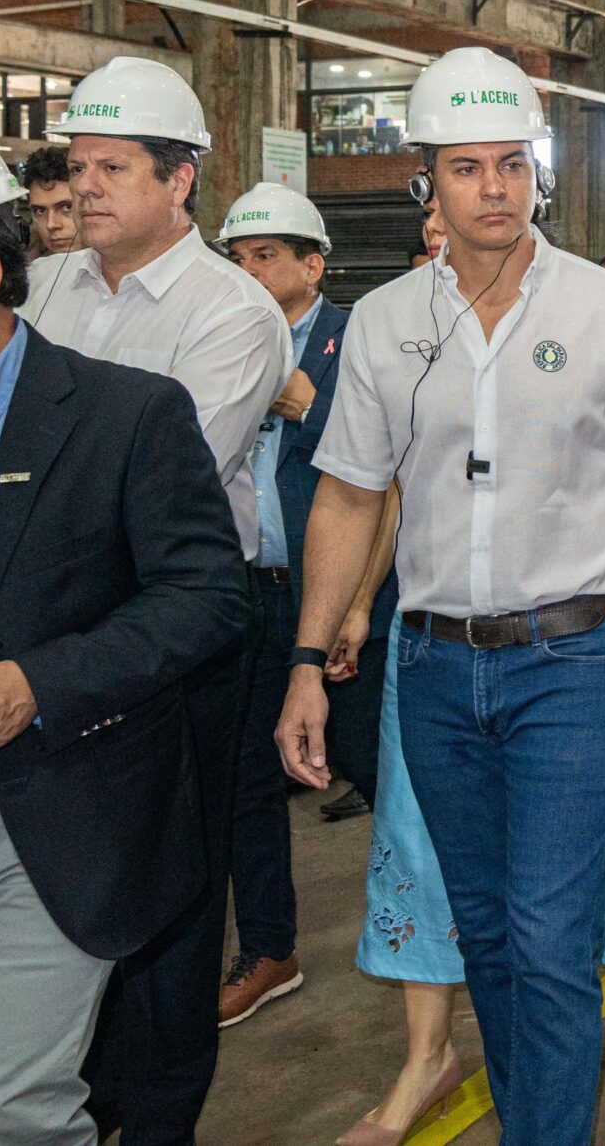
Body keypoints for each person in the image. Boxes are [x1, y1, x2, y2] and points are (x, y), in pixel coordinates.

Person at [276, 46, 605, 1146]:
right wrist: (307, 663)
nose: (494, 189)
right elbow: (348, 502)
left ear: (538, 173)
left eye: (512, 164)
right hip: (434, 667)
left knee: (551, 943)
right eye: (466, 169)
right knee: (491, 936)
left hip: (578, 659)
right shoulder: (383, 325)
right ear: (429, 184)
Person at [0, 110, 250, 1146]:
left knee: (3, 1110)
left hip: (53, 816)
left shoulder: (123, 418)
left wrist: (34, 685)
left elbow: (207, 599)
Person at [26, 55, 291, 1146]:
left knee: (170, 900)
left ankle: (158, 1117)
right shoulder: (42, 291)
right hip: (42, 638)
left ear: (179, 182)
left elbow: (152, 494)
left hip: (172, 647)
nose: (85, 187)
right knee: (55, 880)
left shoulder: (232, 315)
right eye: (78, 167)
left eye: (111, 167)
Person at [212, 182, 357, 1026]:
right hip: (245, 592)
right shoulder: (218, 338)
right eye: (236, 256)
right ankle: (271, 946)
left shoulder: (355, 337)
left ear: (313, 263)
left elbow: (390, 454)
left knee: (377, 764)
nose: (248, 270)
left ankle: (444, 929)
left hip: (339, 597)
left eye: (265, 255)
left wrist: (304, 405)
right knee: (247, 781)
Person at [17, 144, 80, 259]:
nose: (51, 224)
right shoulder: (27, 273)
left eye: (67, 207)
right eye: (40, 211)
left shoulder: (121, 272)